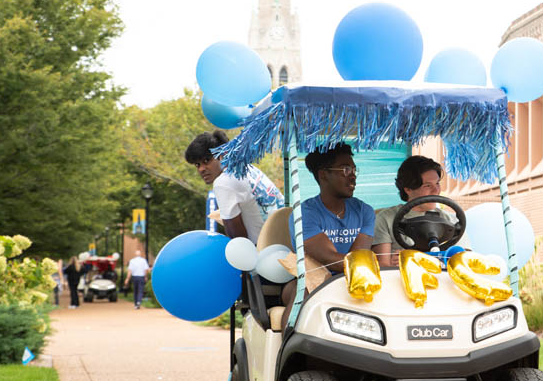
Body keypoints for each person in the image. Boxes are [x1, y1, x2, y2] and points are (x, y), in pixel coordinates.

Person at [280, 143, 375, 308]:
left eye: (353, 170)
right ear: (324, 175)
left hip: (353, 278)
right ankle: (291, 334)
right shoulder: (304, 214)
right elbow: (330, 260)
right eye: (345, 170)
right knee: (302, 292)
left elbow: (358, 257)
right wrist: (373, 265)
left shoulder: (365, 211)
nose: (353, 176)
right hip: (312, 280)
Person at [185, 130, 285, 244]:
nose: (201, 169)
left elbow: (238, 239)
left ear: (222, 155)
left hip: (266, 251)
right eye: (197, 164)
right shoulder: (246, 167)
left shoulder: (223, 182)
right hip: (287, 240)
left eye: (206, 160)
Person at [371, 155, 465, 267]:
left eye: (437, 183)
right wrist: (392, 262)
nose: (436, 190)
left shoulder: (452, 220)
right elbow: (383, 265)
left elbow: (465, 259)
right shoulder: (385, 218)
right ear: (408, 189)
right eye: (427, 185)